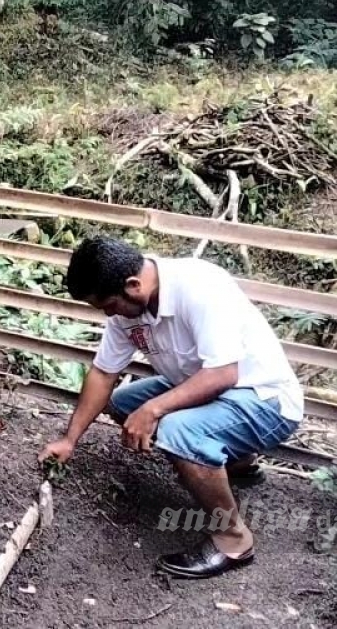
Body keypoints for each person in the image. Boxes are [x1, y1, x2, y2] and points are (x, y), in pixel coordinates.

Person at [37, 236, 303, 579]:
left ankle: (234, 539)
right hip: (206, 386)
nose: (108, 314)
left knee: (176, 431)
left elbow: (224, 373)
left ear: (133, 286)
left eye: (109, 305)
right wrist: (69, 440)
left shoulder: (199, 287)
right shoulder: (129, 306)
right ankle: (235, 462)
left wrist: (154, 410)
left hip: (264, 398)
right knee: (123, 403)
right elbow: (104, 373)